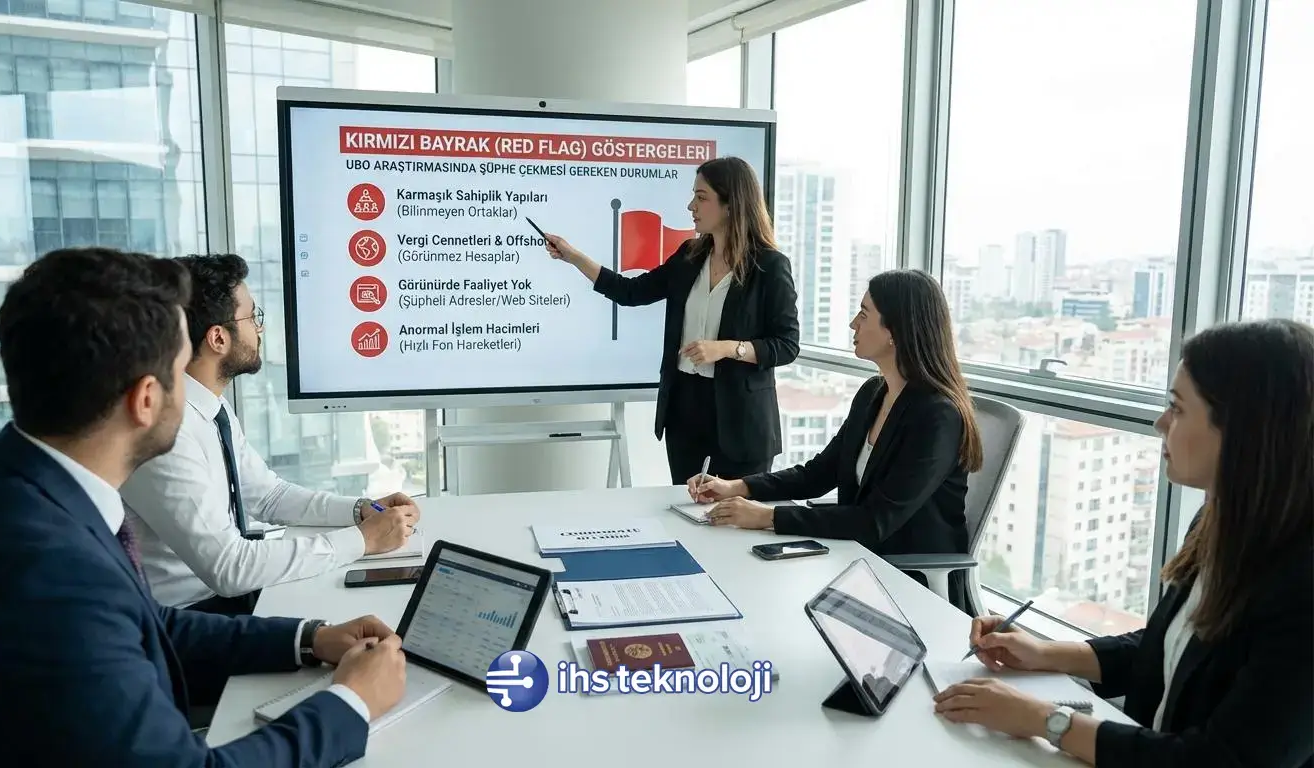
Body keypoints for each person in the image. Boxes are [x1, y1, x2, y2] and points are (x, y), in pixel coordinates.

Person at [0, 247, 409, 766]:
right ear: (146, 400)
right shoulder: (54, 574)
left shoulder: (11, 487)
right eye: (179, 370)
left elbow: (149, 622)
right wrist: (351, 703)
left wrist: (309, 638)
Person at [934, 319, 1313, 767]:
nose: (1159, 423)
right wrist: (1044, 653)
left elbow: (1223, 759)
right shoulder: (1220, 522)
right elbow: (1166, 647)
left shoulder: (1301, 587)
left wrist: (1045, 720)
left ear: (1244, 430)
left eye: (1177, 408)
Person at [119, 253, 418, 616]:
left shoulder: (208, 406)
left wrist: (360, 511)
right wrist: (363, 540)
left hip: (227, 598)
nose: (259, 329)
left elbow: (268, 496)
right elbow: (229, 568)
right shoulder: (167, 431)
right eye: (252, 317)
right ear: (218, 338)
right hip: (192, 617)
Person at [690, 269, 983, 610]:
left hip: (908, 580)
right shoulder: (874, 393)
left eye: (864, 314)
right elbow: (818, 474)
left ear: (895, 331)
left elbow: (875, 521)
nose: (853, 324)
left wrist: (767, 518)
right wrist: (737, 487)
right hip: (858, 559)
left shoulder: (937, 416)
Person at [541, 156, 800, 484]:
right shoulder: (690, 256)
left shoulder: (770, 266)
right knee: (685, 506)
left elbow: (787, 344)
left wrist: (727, 349)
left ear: (731, 205)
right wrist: (574, 257)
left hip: (742, 422)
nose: (691, 206)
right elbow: (630, 292)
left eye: (701, 197)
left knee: (735, 512)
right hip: (685, 411)